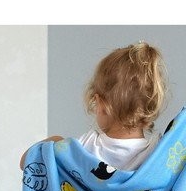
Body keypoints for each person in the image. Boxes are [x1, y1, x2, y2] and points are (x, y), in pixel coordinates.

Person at [20, 42, 168, 171]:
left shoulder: (85, 146)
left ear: (101, 105)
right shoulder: (159, 153)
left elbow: (26, 162)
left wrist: (56, 142)